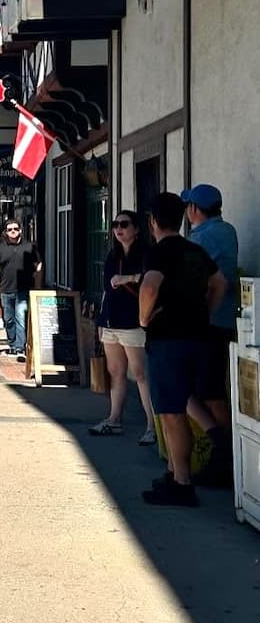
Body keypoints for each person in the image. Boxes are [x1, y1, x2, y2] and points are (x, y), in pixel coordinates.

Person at [139, 191, 224, 507]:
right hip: (198, 335)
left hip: (168, 338)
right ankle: (175, 471)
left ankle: (181, 482)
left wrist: (144, 318)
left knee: (172, 414)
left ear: (153, 222)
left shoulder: (160, 252)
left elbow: (149, 286)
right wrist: (206, 312)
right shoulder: (194, 250)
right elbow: (219, 284)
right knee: (180, 402)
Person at [182, 184, 238, 485]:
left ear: (194, 209)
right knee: (210, 388)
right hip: (224, 321)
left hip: (206, 324)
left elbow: (207, 282)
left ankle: (224, 451)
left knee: (207, 390)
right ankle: (225, 451)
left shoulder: (200, 239)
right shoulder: (227, 230)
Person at [88, 209, 155, 444]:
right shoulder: (112, 255)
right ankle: (114, 419)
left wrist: (130, 278)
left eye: (124, 224)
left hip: (134, 322)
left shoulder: (146, 253)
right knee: (115, 372)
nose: (119, 229)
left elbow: (152, 279)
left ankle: (152, 426)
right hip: (111, 321)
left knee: (139, 373)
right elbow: (107, 290)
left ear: (137, 229)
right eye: (115, 224)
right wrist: (100, 321)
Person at [0, 220, 42, 361]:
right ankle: (12, 344)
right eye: (10, 229)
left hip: (24, 288)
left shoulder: (29, 246)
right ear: (5, 232)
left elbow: (39, 264)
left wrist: (37, 282)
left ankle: (20, 347)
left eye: (15, 229)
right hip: (6, 289)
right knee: (9, 319)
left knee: (21, 318)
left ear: (20, 230)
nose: (13, 231)